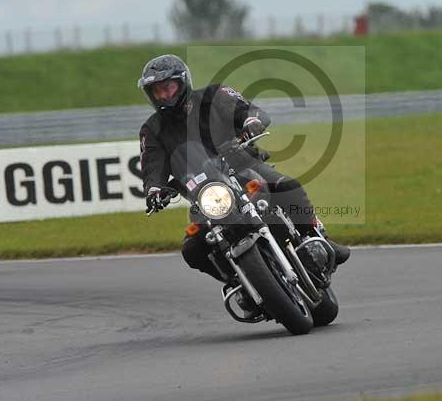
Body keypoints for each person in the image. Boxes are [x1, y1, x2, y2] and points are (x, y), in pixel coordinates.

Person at [137, 55, 350, 292]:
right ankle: (239, 281)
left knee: (285, 186)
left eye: (167, 87)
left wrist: (251, 121)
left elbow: (248, 110)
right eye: (157, 91)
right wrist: (154, 189)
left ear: (182, 82)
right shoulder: (152, 130)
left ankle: (315, 236)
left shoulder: (214, 96)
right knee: (192, 249)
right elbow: (152, 166)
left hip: (243, 168)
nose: (164, 95)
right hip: (205, 195)